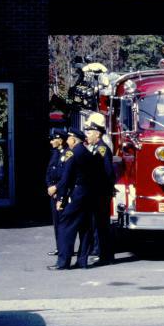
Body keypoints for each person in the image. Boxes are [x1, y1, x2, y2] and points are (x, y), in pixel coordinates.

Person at [50, 129, 97, 270]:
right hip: (88, 194)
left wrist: (61, 198)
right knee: (85, 228)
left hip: (75, 194)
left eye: (70, 139)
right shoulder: (87, 153)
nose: (68, 141)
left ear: (75, 140)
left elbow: (66, 178)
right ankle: (82, 261)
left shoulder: (73, 154)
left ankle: (63, 262)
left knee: (65, 227)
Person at [83, 112, 117, 266]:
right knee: (98, 224)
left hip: (101, 193)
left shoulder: (102, 149)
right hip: (98, 192)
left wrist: (105, 188)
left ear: (97, 134)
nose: (87, 135)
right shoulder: (96, 147)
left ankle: (107, 255)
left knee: (102, 225)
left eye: (89, 132)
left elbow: (108, 172)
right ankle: (103, 253)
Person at [45, 129, 67, 257]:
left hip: (60, 192)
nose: (51, 142)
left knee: (63, 222)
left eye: (54, 139)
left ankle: (64, 248)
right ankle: (59, 247)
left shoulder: (65, 154)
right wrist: (49, 186)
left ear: (60, 140)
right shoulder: (55, 154)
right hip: (53, 192)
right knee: (56, 222)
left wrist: (56, 188)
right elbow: (49, 172)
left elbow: (65, 176)